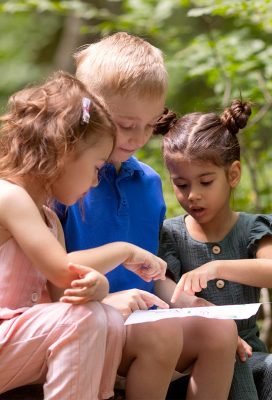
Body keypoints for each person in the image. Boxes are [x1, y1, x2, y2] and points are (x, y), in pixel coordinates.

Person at [58, 32, 238, 399]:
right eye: (126, 125)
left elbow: (148, 275)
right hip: (89, 320)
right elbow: (46, 280)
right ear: (86, 108)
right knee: (162, 333)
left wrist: (184, 300)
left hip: (145, 318)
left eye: (150, 125)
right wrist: (104, 302)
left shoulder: (148, 183)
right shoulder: (64, 180)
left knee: (221, 330)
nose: (139, 138)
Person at [0, 71, 165, 399]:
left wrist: (99, 286)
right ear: (63, 152)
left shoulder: (48, 219)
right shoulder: (9, 196)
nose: (94, 182)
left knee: (105, 316)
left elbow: (63, 292)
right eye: (95, 167)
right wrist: (123, 250)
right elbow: (62, 268)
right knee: (84, 320)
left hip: (15, 343)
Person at [155, 99, 272, 400]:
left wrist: (216, 267)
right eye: (182, 185)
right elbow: (164, 289)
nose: (193, 196)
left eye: (205, 182)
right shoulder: (171, 235)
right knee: (225, 346)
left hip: (252, 354)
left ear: (233, 175)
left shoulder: (252, 229)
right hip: (195, 364)